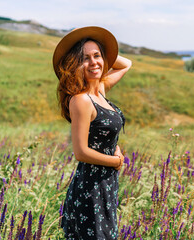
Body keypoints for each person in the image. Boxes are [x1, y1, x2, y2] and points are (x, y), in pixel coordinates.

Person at [53, 26, 132, 239]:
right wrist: (115, 161)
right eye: (85, 58)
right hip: (90, 188)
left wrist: (103, 52)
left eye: (97, 56)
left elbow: (126, 64)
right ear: (75, 64)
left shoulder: (100, 91)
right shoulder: (81, 100)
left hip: (106, 184)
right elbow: (80, 152)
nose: (94, 62)